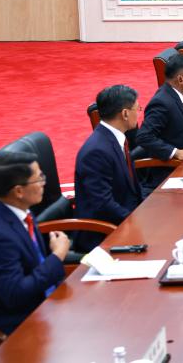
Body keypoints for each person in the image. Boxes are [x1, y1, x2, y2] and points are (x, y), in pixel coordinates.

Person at [0, 151, 68, 334]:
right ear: (19, 191)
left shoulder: (20, 210)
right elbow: (15, 293)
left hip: (48, 301)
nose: (43, 183)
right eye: (38, 178)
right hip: (23, 324)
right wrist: (57, 256)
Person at [74, 85, 144, 250]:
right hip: (105, 233)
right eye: (137, 109)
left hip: (125, 217)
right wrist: (136, 220)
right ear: (125, 114)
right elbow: (102, 205)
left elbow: (131, 188)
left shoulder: (116, 138)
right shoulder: (96, 152)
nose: (139, 113)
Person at [134, 53, 183, 193]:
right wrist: (175, 152)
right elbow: (144, 137)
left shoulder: (180, 95)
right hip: (173, 171)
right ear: (180, 79)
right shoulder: (162, 102)